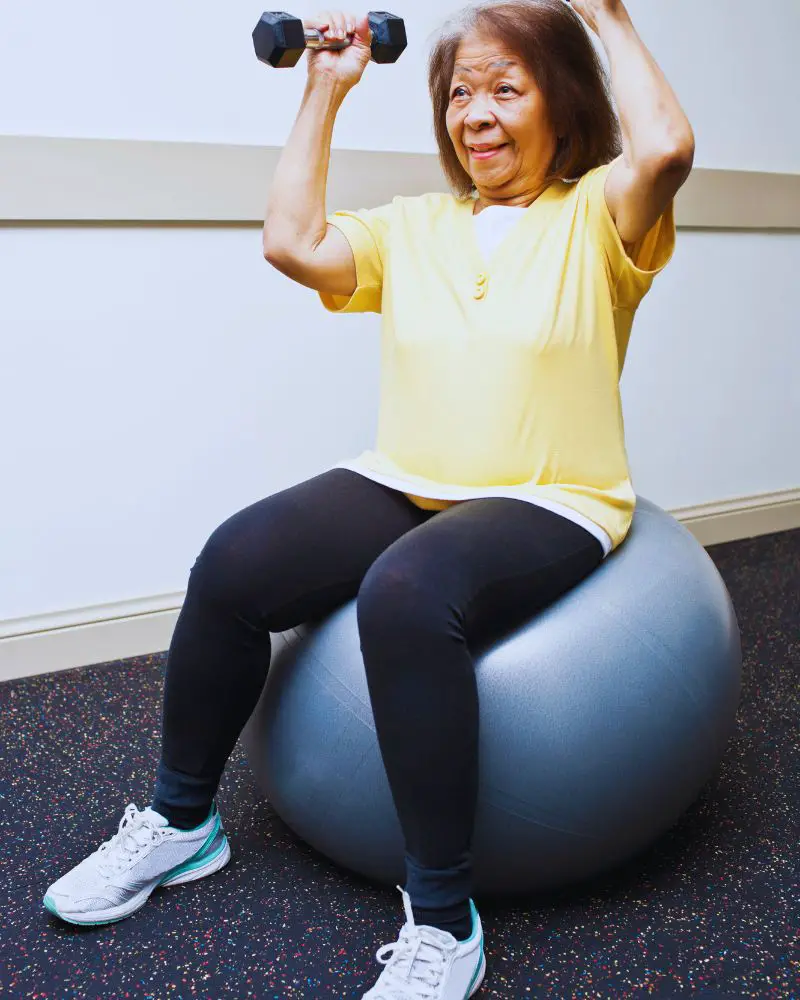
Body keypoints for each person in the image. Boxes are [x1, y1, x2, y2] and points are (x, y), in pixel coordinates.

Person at [44, 1, 693, 996]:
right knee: (232, 562)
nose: (474, 113)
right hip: (406, 476)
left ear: (560, 111)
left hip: (553, 494)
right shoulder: (414, 228)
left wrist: (604, 15)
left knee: (403, 593)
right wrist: (325, 88)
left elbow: (666, 145)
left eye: (504, 89)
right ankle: (181, 822)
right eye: (459, 93)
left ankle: (441, 919)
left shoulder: (598, 215)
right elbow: (290, 240)